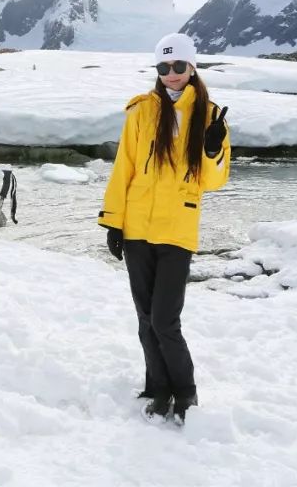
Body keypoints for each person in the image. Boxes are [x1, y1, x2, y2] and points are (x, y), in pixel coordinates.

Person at [98, 32, 231, 425]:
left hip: (177, 230)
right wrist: (113, 222)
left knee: (164, 321)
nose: (171, 75)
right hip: (138, 228)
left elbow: (215, 180)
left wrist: (212, 150)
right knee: (144, 318)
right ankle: (158, 389)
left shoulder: (210, 116)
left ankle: (185, 392)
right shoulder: (140, 111)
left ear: (192, 67)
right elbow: (124, 168)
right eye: (163, 67)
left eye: (178, 66)